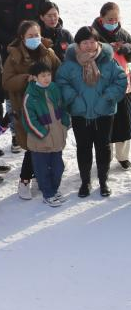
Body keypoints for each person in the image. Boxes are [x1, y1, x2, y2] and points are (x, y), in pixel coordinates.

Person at [55, 25, 126, 198]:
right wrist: (75, 99)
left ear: (98, 42)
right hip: (80, 113)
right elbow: (61, 82)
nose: (89, 45)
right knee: (84, 148)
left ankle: (103, 181)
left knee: (103, 147)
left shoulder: (108, 61)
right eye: (85, 42)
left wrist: (107, 97)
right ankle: (85, 181)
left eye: (92, 42)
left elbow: (121, 79)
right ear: (78, 44)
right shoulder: (70, 63)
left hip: (104, 113)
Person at [5, 19, 59, 196]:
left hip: (49, 108)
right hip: (25, 109)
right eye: (30, 36)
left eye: (37, 35)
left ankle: (41, 176)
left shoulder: (48, 53)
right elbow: (6, 82)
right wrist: (25, 78)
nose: (35, 38)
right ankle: (24, 181)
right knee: (33, 146)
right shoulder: (14, 57)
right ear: (22, 37)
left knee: (47, 143)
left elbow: (59, 72)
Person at [90, 3, 131, 170]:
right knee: (105, 124)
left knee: (124, 121)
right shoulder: (92, 33)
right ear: (101, 18)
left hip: (123, 84)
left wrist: (126, 48)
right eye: (110, 19)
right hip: (101, 86)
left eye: (116, 19)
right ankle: (104, 156)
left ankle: (123, 156)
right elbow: (83, 52)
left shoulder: (123, 33)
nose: (113, 22)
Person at [21, 59, 68, 205]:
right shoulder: (30, 95)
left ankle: (54, 190)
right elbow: (29, 120)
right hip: (41, 141)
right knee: (42, 170)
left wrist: (65, 124)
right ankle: (48, 194)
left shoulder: (54, 88)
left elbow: (63, 107)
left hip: (57, 137)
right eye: (43, 76)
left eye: (48, 74)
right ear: (35, 77)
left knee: (58, 167)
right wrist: (43, 133)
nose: (47, 78)